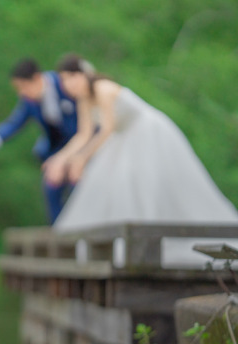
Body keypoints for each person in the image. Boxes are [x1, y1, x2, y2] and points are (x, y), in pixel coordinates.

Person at [47, 53, 238, 233]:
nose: (67, 85)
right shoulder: (84, 100)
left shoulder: (102, 88)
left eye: (70, 78)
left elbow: (107, 128)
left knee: (145, 184)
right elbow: (83, 134)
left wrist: (82, 158)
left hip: (148, 132)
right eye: (63, 80)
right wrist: (60, 159)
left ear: (82, 75)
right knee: (114, 186)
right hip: (123, 139)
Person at [0, 58, 78, 223]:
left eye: (23, 87)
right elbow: (14, 124)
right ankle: (61, 235)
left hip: (82, 147)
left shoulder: (66, 85)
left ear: (37, 78)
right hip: (55, 151)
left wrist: (69, 159)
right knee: (51, 187)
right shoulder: (29, 102)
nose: (21, 93)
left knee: (79, 185)